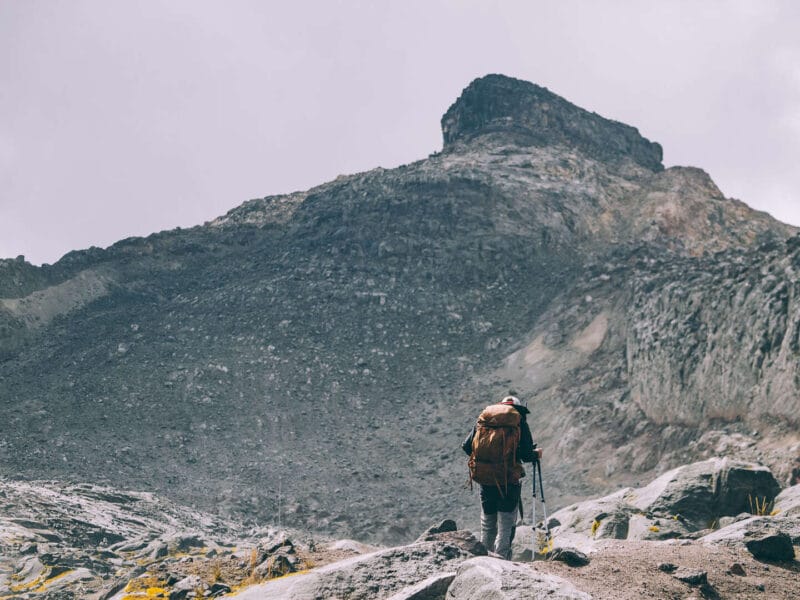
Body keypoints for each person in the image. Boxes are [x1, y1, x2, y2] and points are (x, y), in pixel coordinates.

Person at [462, 395, 541, 559]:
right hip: (508, 481)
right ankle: (502, 561)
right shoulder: (518, 421)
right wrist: (535, 454)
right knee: (506, 525)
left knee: (488, 523)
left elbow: (467, 446)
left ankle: (483, 559)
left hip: (485, 479)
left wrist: (487, 461)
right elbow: (526, 455)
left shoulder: (487, 419)